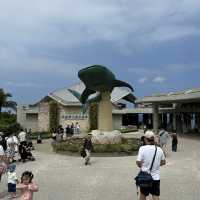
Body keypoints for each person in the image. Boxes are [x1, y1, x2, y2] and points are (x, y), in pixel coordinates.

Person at [136, 130, 166, 200]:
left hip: (144, 177)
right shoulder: (159, 149)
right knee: (155, 196)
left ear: (145, 139)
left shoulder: (142, 148)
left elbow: (138, 162)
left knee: (143, 195)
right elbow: (163, 162)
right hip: (156, 178)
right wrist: (156, 164)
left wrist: (143, 165)